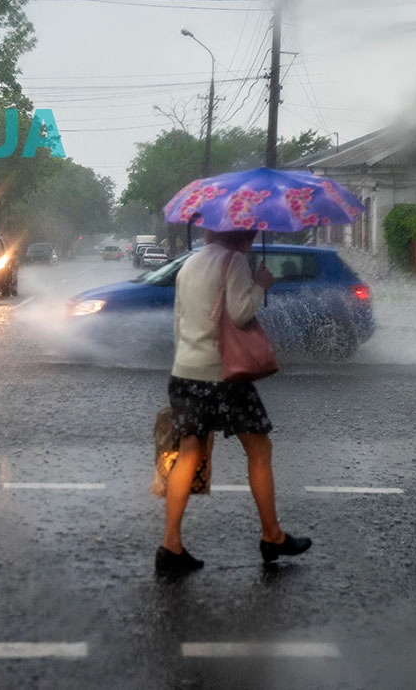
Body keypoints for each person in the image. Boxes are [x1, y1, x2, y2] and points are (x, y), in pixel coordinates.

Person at [156, 228, 312, 575]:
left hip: (184, 371)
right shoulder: (234, 261)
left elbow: (179, 322)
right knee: (259, 449)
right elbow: (241, 313)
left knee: (189, 453)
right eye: (253, 234)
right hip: (222, 373)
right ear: (244, 235)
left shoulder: (189, 263)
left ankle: (171, 546)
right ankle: (272, 535)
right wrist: (261, 285)